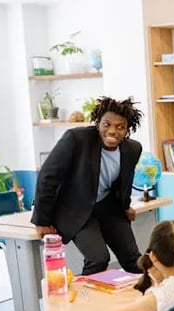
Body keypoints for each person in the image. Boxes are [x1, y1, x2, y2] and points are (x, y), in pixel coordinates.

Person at [31, 96, 143, 276]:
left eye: (120, 127)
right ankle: (86, 301)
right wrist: (41, 220)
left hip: (107, 207)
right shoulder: (77, 139)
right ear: (98, 123)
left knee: (133, 258)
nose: (112, 131)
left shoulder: (133, 149)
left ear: (127, 129)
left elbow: (125, 181)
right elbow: (48, 176)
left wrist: (125, 206)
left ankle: (152, 297)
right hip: (75, 208)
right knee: (98, 259)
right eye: (107, 124)